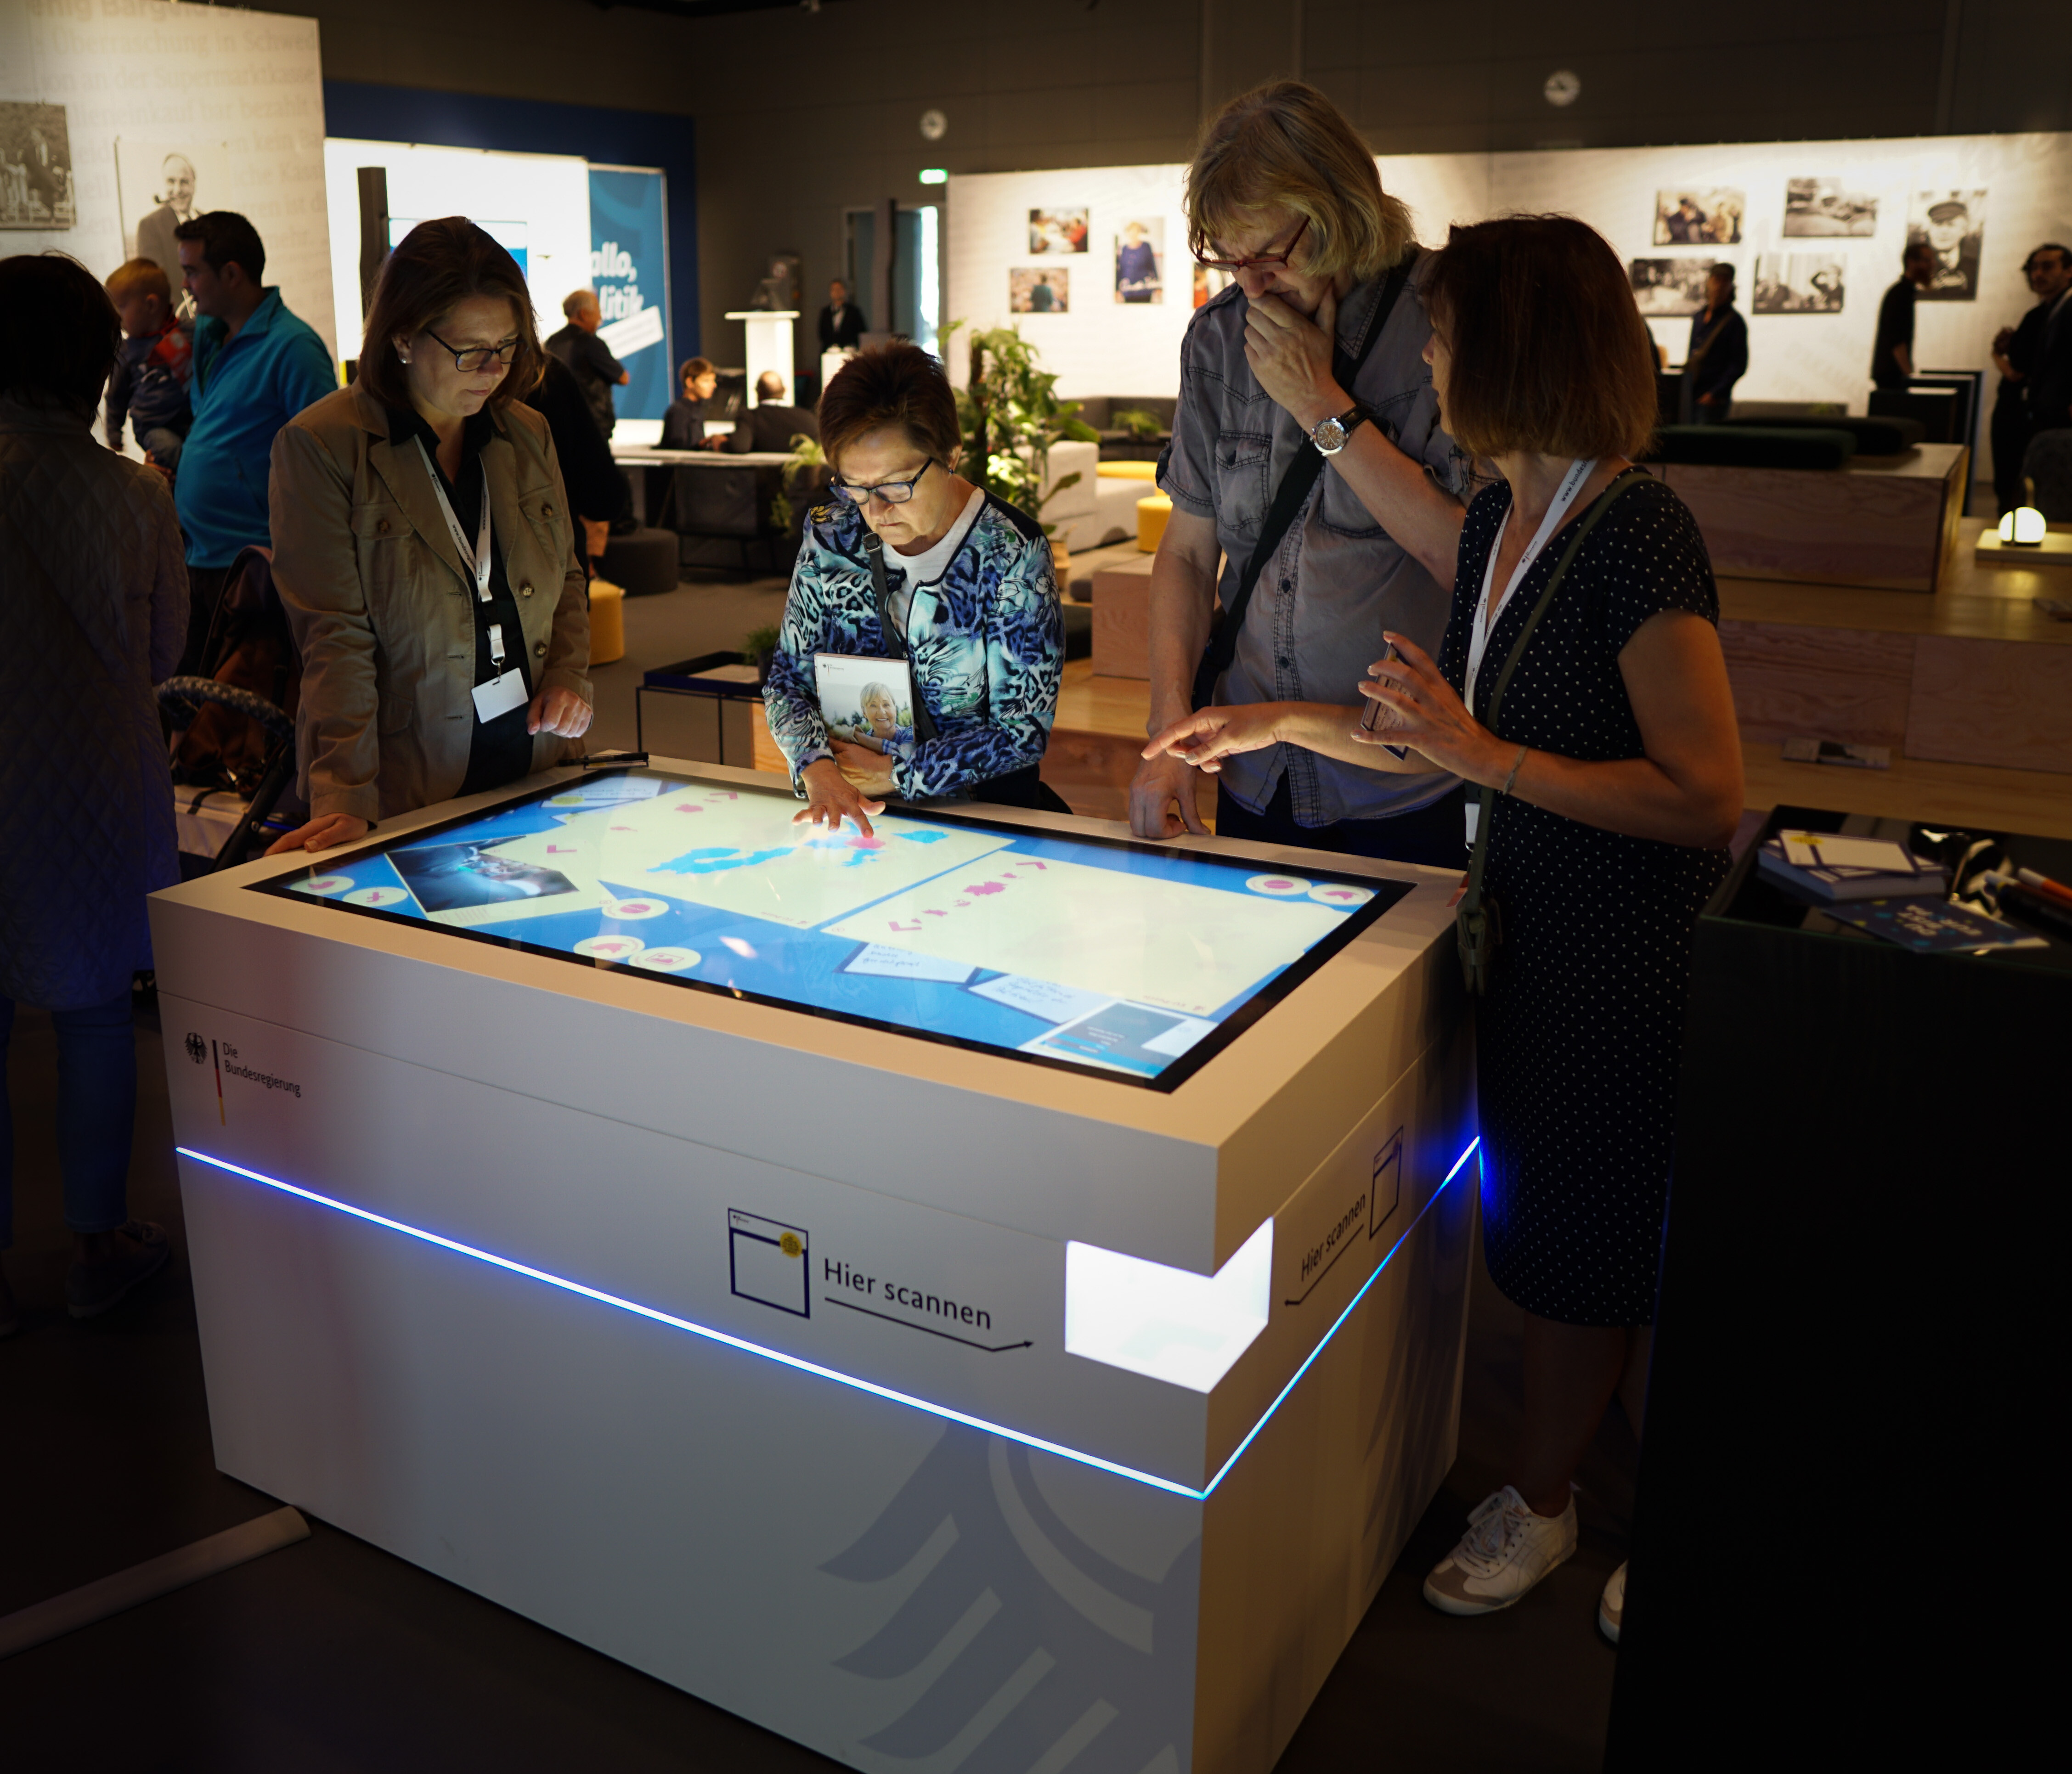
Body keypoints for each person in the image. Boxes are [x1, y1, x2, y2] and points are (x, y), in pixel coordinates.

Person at [1153, 214, 1743, 1643]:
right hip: (1534, 929)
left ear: (1514, 348)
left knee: (1597, 1252)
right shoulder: (1502, 524)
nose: (1426, 347)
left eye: (1445, 329)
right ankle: (1554, 1496)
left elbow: (1702, 792)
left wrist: (1486, 762)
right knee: (1558, 1244)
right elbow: (1445, 740)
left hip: (1618, 954)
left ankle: (1558, 1502)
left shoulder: (1636, 527)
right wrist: (1277, 719)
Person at [1128, 79, 1470, 863]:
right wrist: (1165, 729)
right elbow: (1186, 552)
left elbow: (1466, 561)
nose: (1247, 281)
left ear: (1339, 212)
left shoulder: (1444, 326)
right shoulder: (1217, 341)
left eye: (1268, 254)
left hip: (1404, 778)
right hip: (1256, 772)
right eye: (1225, 256)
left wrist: (1320, 402)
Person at [263, 218, 593, 858]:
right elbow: (335, 637)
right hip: (408, 782)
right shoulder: (322, 446)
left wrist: (569, 673)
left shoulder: (527, 432)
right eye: (470, 350)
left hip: (536, 761)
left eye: (508, 345)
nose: (493, 369)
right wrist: (345, 795)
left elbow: (569, 577)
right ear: (404, 337)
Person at [0, 254, 186, 1334]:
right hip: (96, 785)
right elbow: (164, 649)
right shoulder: (135, 493)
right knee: (94, 1021)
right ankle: (96, 1243)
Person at [763, 343, 1065, 834]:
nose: (875, 511)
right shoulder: (831, 534)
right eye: (854, 487)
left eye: (896, 486)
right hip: (853, 811)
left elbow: (1020, 734)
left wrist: (898, 773)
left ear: (950, 455)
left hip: (977, 823)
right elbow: (787, 680)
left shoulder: (1010, 552)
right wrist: (816, 768)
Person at [173, 210, 336, 676]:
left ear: (230, 273)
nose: (184, 284)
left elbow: (327, 458)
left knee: (240, 725)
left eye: (191, 271)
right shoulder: (212, 336)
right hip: (201, 557)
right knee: (194, 708)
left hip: (251, 567)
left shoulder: (293, 348)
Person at [1989, 244, 2072, 513]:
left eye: (2047, 266)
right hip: (2040, 412)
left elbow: (2021, 370)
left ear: (2069, 271)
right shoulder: (2049, 311)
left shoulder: (2063, 309)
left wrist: (1996, 356)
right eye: (2034, 268)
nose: (2038, 274)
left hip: (2053, 415)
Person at [103, 257, 192, 470]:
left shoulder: (190, 332)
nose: (117, 318)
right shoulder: (126, 351)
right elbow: (116, 395)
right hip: (154, 425)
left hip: (192, 417)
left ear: (151, 304)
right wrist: (114, 431)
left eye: (121, 308)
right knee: (169, 452)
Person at [545, 288, 627, 441]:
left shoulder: (551, 342)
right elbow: (623, 378)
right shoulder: (592, 343)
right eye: (598, 311)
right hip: (591, 430)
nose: (600, 318)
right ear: (584, 314)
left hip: (558, 428)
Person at [1680, 264, 1747, 424]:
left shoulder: (1734, 322)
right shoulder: (1699, 317)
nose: (1719, 286)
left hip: (1712, 401)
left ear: (1731, 287)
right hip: (1691, 394)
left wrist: (1715, 394)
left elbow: (1738, 364)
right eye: (1716, 280)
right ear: (1709, 282)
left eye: (1725, 281)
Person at [1870, 240, 1937, 389]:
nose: (1932, 265)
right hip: (1892, 377)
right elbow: (1897, 340)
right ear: (1911, 262)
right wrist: (1908, 374)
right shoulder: (1901, 294)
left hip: (1891, 375)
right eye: (1927, 261)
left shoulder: (1902, 292)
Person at [135, 153, 196, 285]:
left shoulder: (207, 221)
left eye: (184, 182)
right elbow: (156, 284)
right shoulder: (150, 226)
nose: (178, 190)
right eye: (171, 182)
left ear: (194, 185)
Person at [726, 370, 820, 453]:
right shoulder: (807, 417)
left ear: (758, 391)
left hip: (760, 473)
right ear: (784, 390)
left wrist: (721, 444)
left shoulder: (749, 417)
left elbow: (740, 446)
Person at [1920, 197, 1981, 299]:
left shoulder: (1976, 266)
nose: (1944, 231)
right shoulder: (1919, 267)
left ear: (1964, 231)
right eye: (1938, 225)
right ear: (1929, 231)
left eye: (1951, 225)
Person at [662, 356, 722, 448]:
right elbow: (678, 448)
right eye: (706, 381)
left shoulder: (699, 408)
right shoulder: (678, 411)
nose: (714, 385)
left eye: (713, 381)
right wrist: (705, 443)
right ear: (690, 382)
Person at [1116, 220, 1161, 302]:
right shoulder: (1125, 249)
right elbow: (1121, 270)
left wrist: (1157, 287)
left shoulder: (1146, 246)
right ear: (1128, 232)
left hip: (1144, 290)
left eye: (1136, 231)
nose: (1133, 233)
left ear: (1139, 232)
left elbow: (1153, 266)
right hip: (1128, 291)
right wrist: (1117, 289)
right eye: (1131, 231)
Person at [819, 279, 866, 351]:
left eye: (839, 289)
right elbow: (822, 333)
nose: (837, 292)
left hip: (850, 350)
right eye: (834, 290)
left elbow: (861, 331)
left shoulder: (854, 311)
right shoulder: (826, 312)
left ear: (844, 291)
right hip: (830, 351)